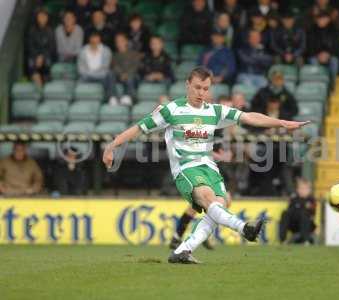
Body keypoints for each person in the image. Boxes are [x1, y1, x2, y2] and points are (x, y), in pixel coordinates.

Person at [103, 66, 310, 264]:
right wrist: (112, 146)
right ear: (188, 85)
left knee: (219, 205)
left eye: (205, 88)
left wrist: (282, 122)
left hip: (209, 167)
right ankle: (244, 228)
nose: (201, 92)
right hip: (186, 168)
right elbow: (139, 128)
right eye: (197, 87)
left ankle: (183, 250)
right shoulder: (171, 110)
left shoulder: (214, 111)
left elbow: (249, 117)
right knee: (209, 199)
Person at [77, 32, 114, 101]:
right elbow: (80, 69)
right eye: (92, 38)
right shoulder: (83, 51)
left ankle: (109, 98)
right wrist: (91, 74)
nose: (94, 40)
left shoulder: (106, 50)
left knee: (109, 74)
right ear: (89, 39)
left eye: (96, 38)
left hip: (101, 76)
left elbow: (105, 67)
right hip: (87, 77)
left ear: (99, 39)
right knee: (81, 79)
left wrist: (92, 74)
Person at [307, 12, 339, 86]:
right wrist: (318, 55)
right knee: (313, 61)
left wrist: (328, 54)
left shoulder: (334, 30)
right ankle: (318, 82)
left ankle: (332, 83)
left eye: (323, 19)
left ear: (328, 20)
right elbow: (310, 46)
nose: (320, 21)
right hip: (316, 55)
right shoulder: (311, 30)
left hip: (330, 55)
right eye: (319, 19)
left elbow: (337, 46)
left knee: (334, 61)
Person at [279, 178, 316, 244]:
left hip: (307, 225)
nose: (302, 190)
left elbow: (312, 214)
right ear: (297, 189)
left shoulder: (311, 200)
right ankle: (283, 240)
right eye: (301, 188)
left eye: (305, 188)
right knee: (285, 213)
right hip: (294, 224)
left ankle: (305, 240)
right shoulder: (294, 199)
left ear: (309, 190)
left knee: (304, 214)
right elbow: (290, 211)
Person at [111, 32, 142, 106]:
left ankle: (129, 97)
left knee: (131, 77)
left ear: (126, 41)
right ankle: (113, 97)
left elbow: (135, 66)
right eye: (117, 41)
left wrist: (127, 74)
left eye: (121, 41)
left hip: (131, 76)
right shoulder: (114, 55)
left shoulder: (134, 54)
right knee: (109, 74)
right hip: (119, 76)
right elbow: (114, 66)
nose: (119, 43)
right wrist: (121, 74)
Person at [26, 8, 56, 87]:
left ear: (47, 18)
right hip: (34, 56)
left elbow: (51, 48)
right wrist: (37, 56)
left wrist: (42, 56)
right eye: (40, 16)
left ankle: (46, 85)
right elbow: (30, 46)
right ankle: (38, 87)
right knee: (32, 65)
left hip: (46, 56)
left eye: (44, 16)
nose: (42, 18)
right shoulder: (31, 30)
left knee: (48, 64)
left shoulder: (50, 31)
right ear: (37, 18)